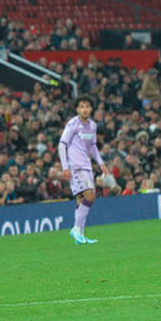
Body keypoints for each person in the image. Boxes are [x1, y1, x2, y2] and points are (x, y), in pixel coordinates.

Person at [59, 96, 107, 244]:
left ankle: (79, 235)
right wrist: (65, 167)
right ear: (77, 109)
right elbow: (62, 144)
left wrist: (101, 162)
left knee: (81, 199)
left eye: (87, 106)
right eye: (81, 107)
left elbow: (92, 146)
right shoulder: (73, 124)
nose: (84, 109)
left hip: (87, 166)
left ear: (91, 109)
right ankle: (76, 229)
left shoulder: (92, 125)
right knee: (90, 196)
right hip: (75, 166)